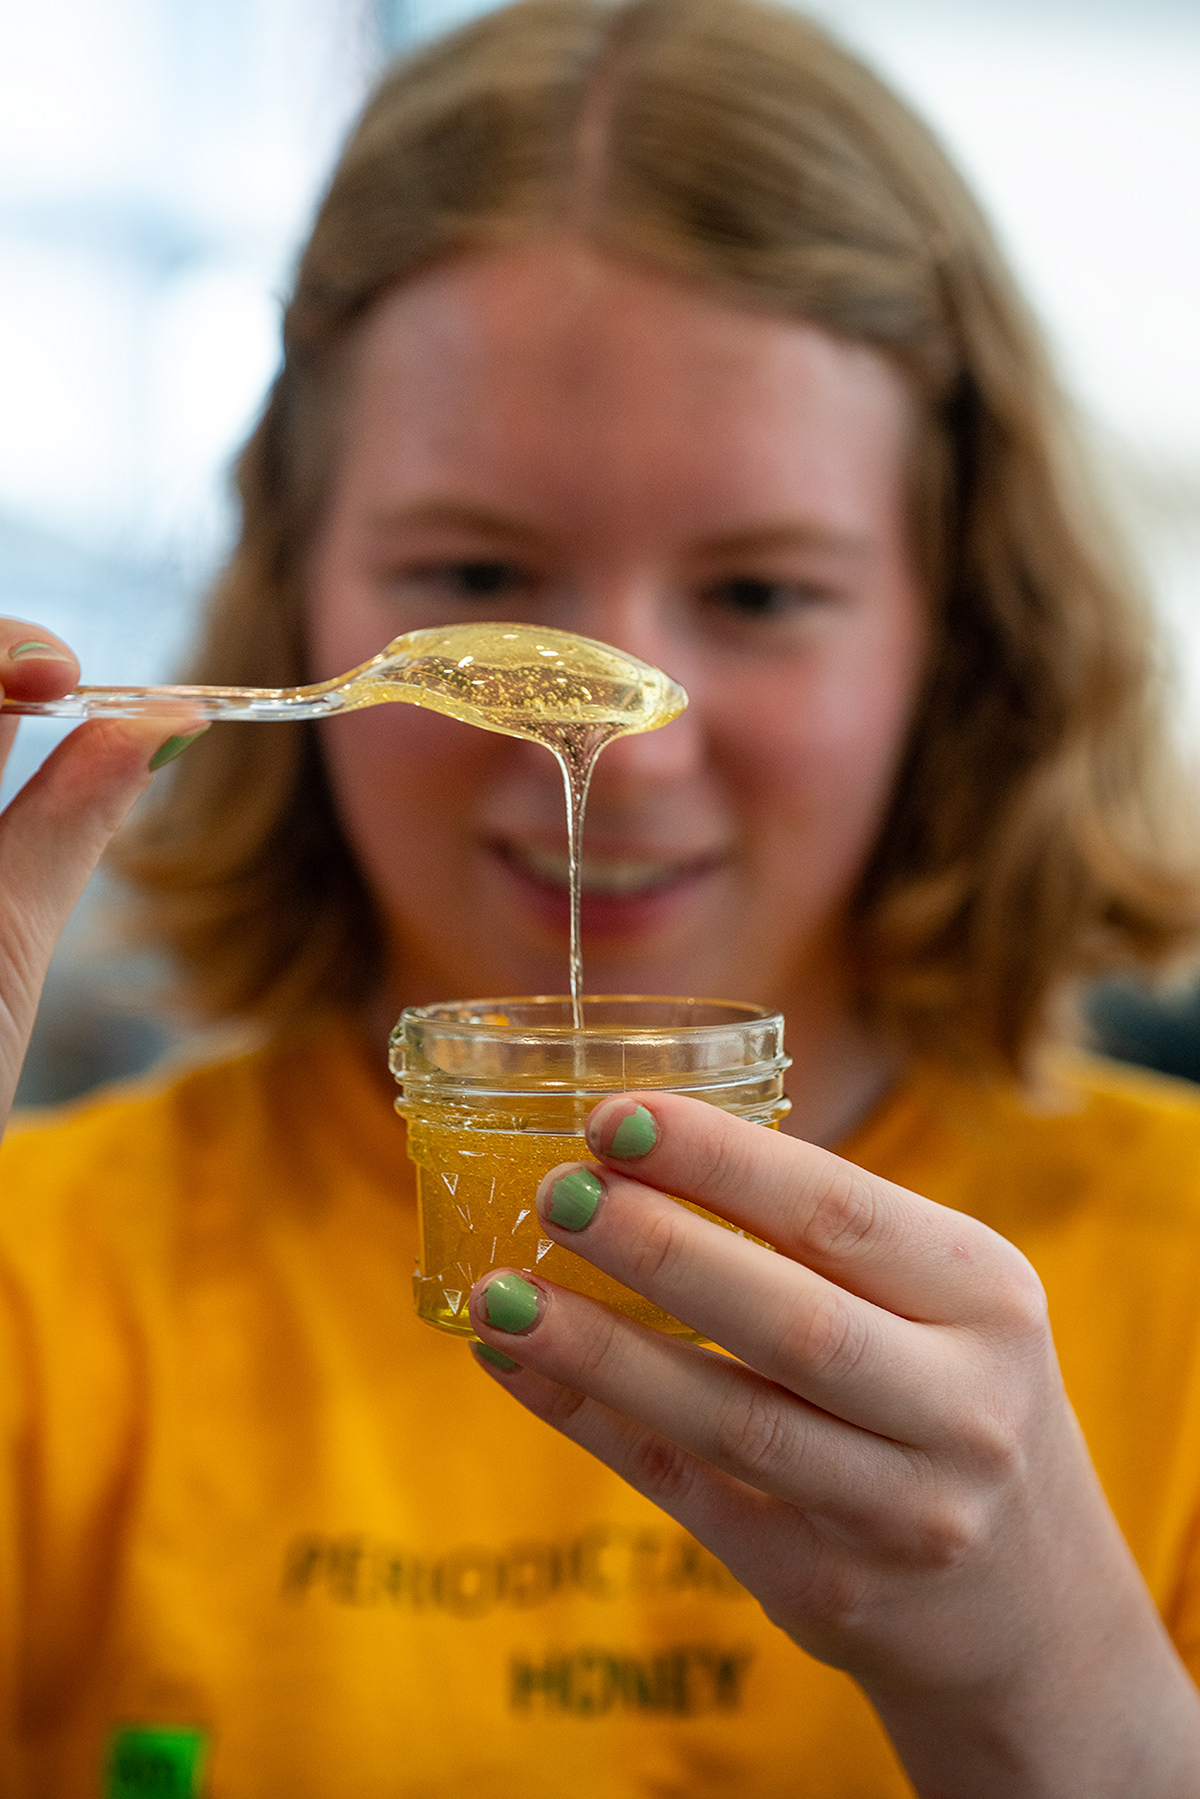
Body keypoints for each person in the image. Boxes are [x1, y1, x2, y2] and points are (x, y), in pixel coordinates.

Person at [2, 0, 1200, 1792]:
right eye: (478, 568)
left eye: (763, 593)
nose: (631, 757)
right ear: (293, 586)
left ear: (961, 625)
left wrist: (1060, 1689)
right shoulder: (48, 1275)